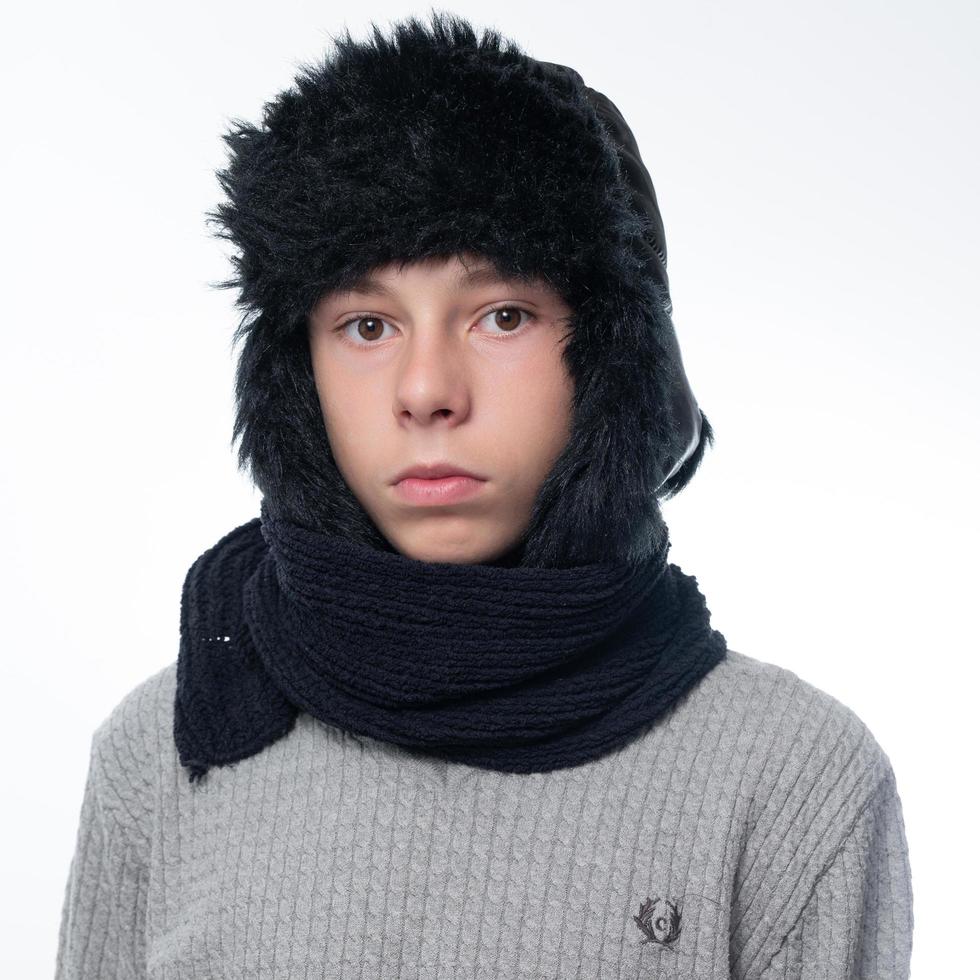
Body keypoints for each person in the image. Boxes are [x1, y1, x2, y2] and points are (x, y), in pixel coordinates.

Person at [54, 11, 913, 978]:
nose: (426, 391)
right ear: (297, 373)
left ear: (615, 358)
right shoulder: (161, 756)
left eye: (502, 315)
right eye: (367, 324)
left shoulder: (794, 782)